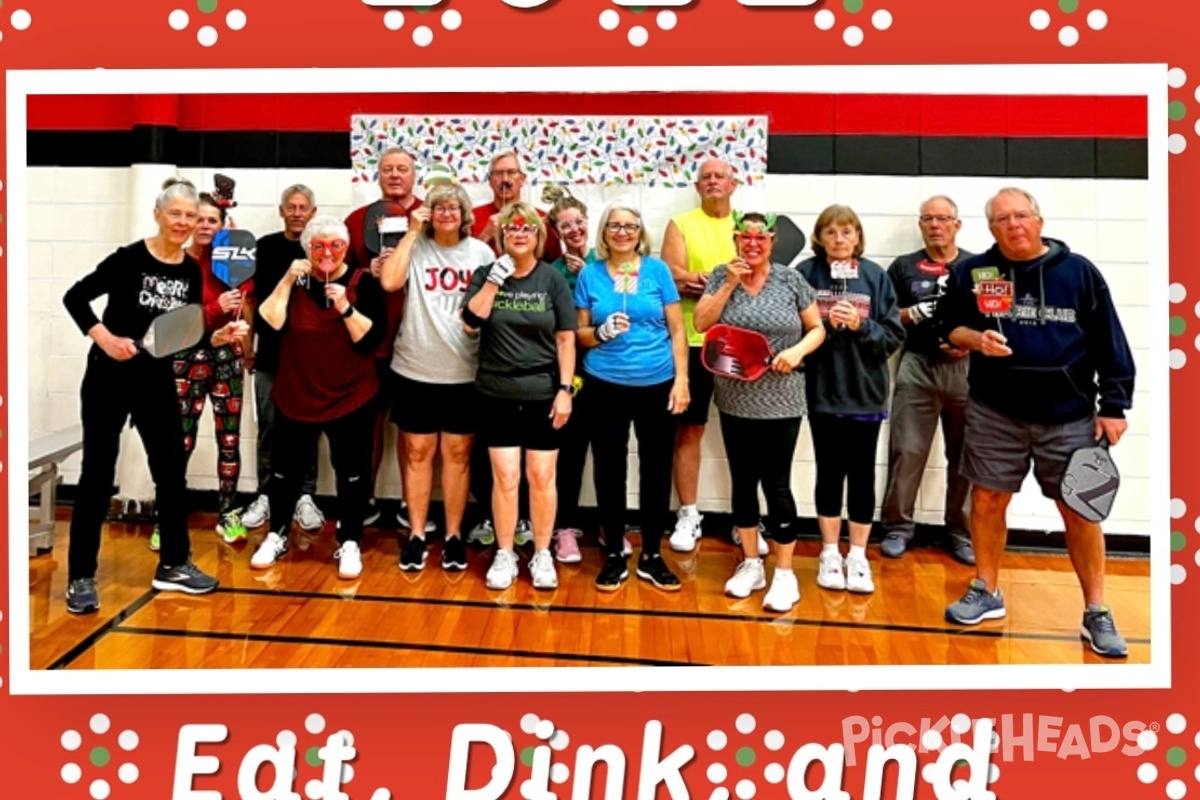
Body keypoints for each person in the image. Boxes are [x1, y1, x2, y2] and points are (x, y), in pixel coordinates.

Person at [939, 187, 1136, 658]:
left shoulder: (1078, 272)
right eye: (1002, 219)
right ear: (991, 229)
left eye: (1021, 215)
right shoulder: (972, 272)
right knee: (986, 500)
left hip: (1069, 418)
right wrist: (975, 340)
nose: (1013, 225)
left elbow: (1110, 339)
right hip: (994, 412)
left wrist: (1114, 403)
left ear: (1039, 220)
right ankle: (986, 590)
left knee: (1080, 511)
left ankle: (1096, 611)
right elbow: (949, 327)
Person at [62, 177, 246, 614]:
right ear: (159, 215)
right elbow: (75, 298)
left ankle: (174, 564)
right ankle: (80, 577)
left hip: (156, 379)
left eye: (192, 216)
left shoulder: (187, 271)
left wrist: (215, 337)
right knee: (96, 475)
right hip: (108, 376)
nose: (184, 222)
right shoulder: (128, 259)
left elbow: (176, 335)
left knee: (170, 471)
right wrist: (104, 338)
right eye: (176, 214)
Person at [693, 212, 826, 611]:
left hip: (782, 397)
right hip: (735, 396)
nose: (752, 244)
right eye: (744, 237)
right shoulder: (721, 275)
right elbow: (701, 322)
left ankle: (784, 574)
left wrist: (797, 349)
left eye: (761, 238)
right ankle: (751, 562)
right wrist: (729, 283)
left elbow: (817, 328)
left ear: (772, 241)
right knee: (743, 481)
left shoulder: (791, 280)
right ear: (735, 239)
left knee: (777, 483)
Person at [250, 215, 387, 579]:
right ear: (306, 249)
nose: (327, 252)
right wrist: (285, 280)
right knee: (284, 472)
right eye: (318, 245)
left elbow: (371, 340)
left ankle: (351, 540)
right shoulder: (293, 281)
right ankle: (276, 534)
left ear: (346, 248)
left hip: (352, 394)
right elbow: (268, 324)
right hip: (297, 391)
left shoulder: (364, 282)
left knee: (352, 472)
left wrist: (345, 307)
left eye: (335, 245)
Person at [379, 181, 494, 572]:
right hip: (414, 368)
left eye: (454, 208)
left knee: (458, 457)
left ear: (464, 216)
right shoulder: (416, 246)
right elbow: (390, 282)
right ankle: (415, 535)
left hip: (465, 372)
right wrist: (412, 232)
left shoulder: (480, 252)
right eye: (439, 207)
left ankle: (454, 536)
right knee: (417, 454)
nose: (446, 213)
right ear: (427, 213)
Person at [574, 201, 689, 593]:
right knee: (609, 470)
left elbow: (677, 331)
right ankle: (614, 555)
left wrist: (682, 381)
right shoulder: (590, 275)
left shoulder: (657, 271)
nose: (623, 232)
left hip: (657, 383)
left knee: (656, 471)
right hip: (604, 384)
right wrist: (603, 332)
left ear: (640, 233)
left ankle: (652, 554)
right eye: (615, 226)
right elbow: (580, 334)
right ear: (604, 233)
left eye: (630, 226)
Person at [462, 202, 576, 591]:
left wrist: (565, 390)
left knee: (542, 476)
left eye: (527, 228)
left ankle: (542, 554)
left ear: (538, 236)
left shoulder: (551, 279)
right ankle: (506, 552)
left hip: (544, 391)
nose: (520, 234)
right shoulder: (485, 274)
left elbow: (565, 338)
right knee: (506, 477)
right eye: (512, 229)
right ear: (502, 235)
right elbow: (469, 324)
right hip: (497, 391)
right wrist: (495, 280)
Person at [798, 204, 904, 595]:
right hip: (822, 391)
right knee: (829, 471)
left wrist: (862, 326)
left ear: (858, 237)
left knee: (861, 474)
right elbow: (792, 330)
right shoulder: (806, 275)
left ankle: (857, 555)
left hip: (864, 393)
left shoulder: (875, 277)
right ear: (819, 238)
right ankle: (829, 551)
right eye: (831, 233)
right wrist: (823, 325)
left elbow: (893, 337)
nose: (839, 240)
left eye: (847, 232)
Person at [153, 191, 254, 549]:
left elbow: (244, 308)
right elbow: (173, 321)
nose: (206, 226)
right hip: (185, 357)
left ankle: (228, 513)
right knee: (179, 441)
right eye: (200, 219)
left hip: (226, 358)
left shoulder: (232, 261)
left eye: (214, 220)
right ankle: (168, 519)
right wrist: (214, 307)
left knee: (229, 440)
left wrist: (248, 348)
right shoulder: (176, 262)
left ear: (222, 225)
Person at [879, 196, 976, 565]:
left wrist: (970, 344)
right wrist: (914, 313)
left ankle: (960, 532)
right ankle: (898, 528)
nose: (936, 225)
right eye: (928, 219)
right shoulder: (903, 267)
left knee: (965, 455)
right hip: (917, 365)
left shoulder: (978, 266)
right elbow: (886, 318)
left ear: (957, 224)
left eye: (943, 218)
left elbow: (993, 318)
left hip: (967, 369)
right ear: (921, 225)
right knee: (907, 449)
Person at [343, 147, 431, 533]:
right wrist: (366, 270)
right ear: (377, 176)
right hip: (372, 345)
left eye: (403, 169)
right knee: (370, 424)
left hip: (420, 342)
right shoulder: (356, 220)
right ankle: (367, 499)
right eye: (387, 169)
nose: (395, 175)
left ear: (415, 175)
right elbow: (337, 271)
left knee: (413, 428)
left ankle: (412, 503)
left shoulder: (431, 216)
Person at [661, 158, 744, 553]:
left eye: (719, 176)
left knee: (745, 431)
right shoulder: (681, 224)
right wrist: (722, 280)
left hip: (741, 343)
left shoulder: (750, 224)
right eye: (706, 177)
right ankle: (689, 513)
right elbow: (671, 276)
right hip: (693, 344)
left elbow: (756, 276)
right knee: (689, 429)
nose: (712, 182)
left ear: (734, 184)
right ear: (698, 187)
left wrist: (703, 282)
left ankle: (746, 518)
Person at [240, 184, 324, 534]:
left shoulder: (322, 249)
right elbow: (249, 299)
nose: (297, 212)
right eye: (291, 206)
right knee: (270, 428)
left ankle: (305, 495)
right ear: (281, 211)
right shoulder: (266, 247)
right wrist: (247, 345)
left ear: (313, 213)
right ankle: (267, 494)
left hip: (308, 358)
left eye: (303, 207)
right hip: (271, 354)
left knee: (307, 428)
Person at [471, 151, 562, 262]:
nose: (505, 179)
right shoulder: (471, 217)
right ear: (490, 181)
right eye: (498, 173)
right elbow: (462, 263)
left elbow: (555, 265)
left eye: (511, 172)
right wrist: (485, 235)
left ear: (522, 179)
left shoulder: (541, 219)